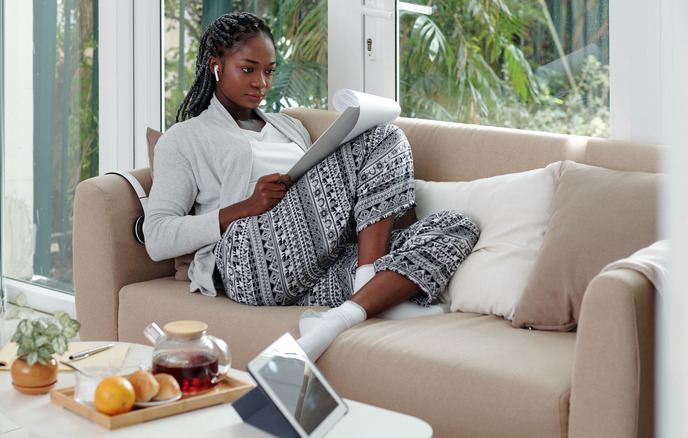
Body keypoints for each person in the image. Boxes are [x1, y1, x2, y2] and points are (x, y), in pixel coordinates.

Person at [144, 12, 479, 361]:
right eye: (248, 68)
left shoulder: (289, 128)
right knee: (385, 136)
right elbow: (157, 237)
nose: (261, 82)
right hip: (246, 261)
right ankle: (369, 281)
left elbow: (320, 202)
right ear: (215, 66)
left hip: (313, 264)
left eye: (269, 71)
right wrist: (244, 207)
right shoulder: (184, 139)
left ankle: (340, 317)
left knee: (458, 227)